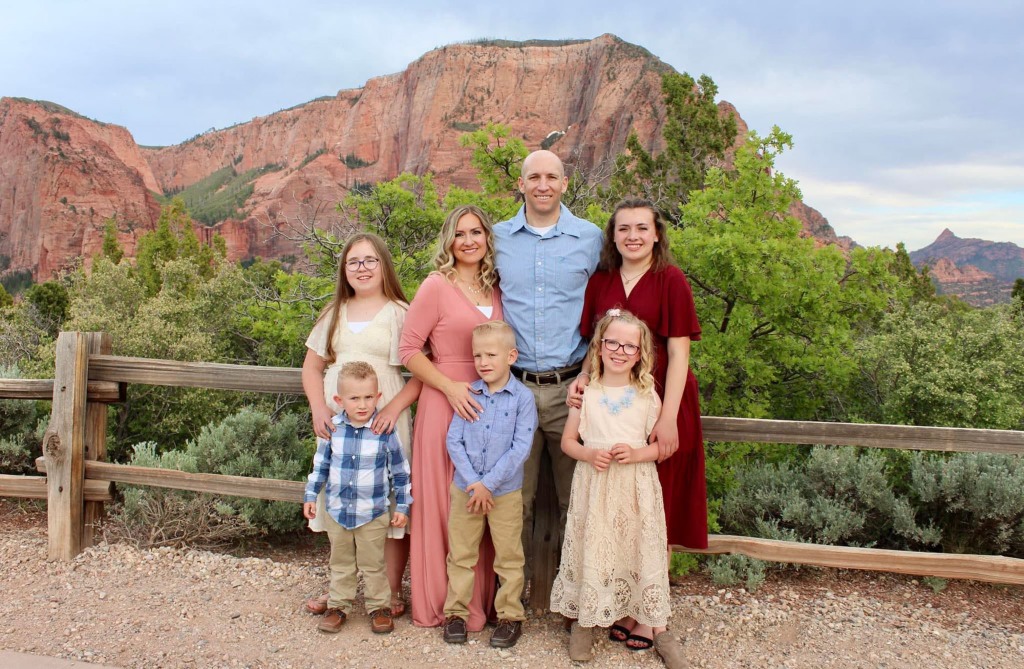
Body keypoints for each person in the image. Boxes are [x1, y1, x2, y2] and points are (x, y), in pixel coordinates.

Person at [569, 199, 708, 554]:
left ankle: (645, 593)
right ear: (612, 237)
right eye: (624, 228)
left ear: (657, 235)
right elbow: (593, 343)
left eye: (642, 228)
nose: (633, 236)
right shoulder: (601, 281)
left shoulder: (671, 280)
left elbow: (679, 353)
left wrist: (668, 418)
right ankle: (605, 587)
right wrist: (584, 377)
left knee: (656, 496)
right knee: (613, 490)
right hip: (611, 399)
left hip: (663, 395)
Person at [551, 310, 685, 669]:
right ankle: (585, 622)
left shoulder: (646, 395)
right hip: (595, 488)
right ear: (599, 346)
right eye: (613, 342)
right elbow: (567, 441)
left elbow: (662, 448)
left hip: (635, 489)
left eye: (630, 345)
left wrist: (639, 453)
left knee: (637, 549)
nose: (620, 351)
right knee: (593, 547)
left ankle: (656, 625)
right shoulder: (586, 393)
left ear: (640, 353)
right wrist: (589, 452)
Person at [301, 233, 421, 619]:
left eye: (370, 260)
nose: (362, 268)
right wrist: (319, 406)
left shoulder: (402, 311)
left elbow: (421, 370)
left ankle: (387, 592)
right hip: (339, 419)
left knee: (385, 499)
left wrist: (395, 407)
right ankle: (340, 590)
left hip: (385, 416)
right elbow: (312, 366)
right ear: (344, 270)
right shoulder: (334, 311)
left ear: (384, 264)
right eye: (354, 262)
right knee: (341, 493)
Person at [492, 149, 603, 569]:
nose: (543, 185)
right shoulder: (498, 238)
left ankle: (578, 599)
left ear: (564, 184)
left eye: (552, 177)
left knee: (576, 500)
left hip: (571, 389)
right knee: (513, 501)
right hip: (512, 390)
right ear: (520, 184)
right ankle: (510, 603)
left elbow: (606, 309)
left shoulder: (590, 238)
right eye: (534, 177)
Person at [399, 204, 503, 630]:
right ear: (449, 240)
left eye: (476, 232)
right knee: (445, 505)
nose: (469, 240)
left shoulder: (495, 287)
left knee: (481, 503)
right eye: (460, 234)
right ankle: (445, 606)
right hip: (445, 404)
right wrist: (449, 386)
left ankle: (482, 601)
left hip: (489, 407)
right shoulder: (435, 286)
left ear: (487, 238)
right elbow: (408, 351)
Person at [442, 321, 537, 648]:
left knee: (509, 556)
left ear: (511, 356)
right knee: (461, 554)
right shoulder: (469, 392)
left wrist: (489, 484)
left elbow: (520, 448)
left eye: (491, 354)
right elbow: (454, 440)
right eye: (477, 355)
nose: (483, 361)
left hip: (505, 493)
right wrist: (474, 483)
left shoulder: (522, 399)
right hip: (466, 489)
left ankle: (510, 616)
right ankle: (455, 614)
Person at [303, 361, 412, 635]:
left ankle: (379, 608)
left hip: (372, 513)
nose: (362, 404)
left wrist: (403, 505)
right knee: (340, 563)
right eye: (354, 398)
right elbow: (321, 467)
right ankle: (339, 606)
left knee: (374, 564)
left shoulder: (384, 432)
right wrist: (311, 495)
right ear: (340, 400)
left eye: (367, 397)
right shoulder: (333, 429)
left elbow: (400, 472)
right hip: (337, 511)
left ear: (378, 397)